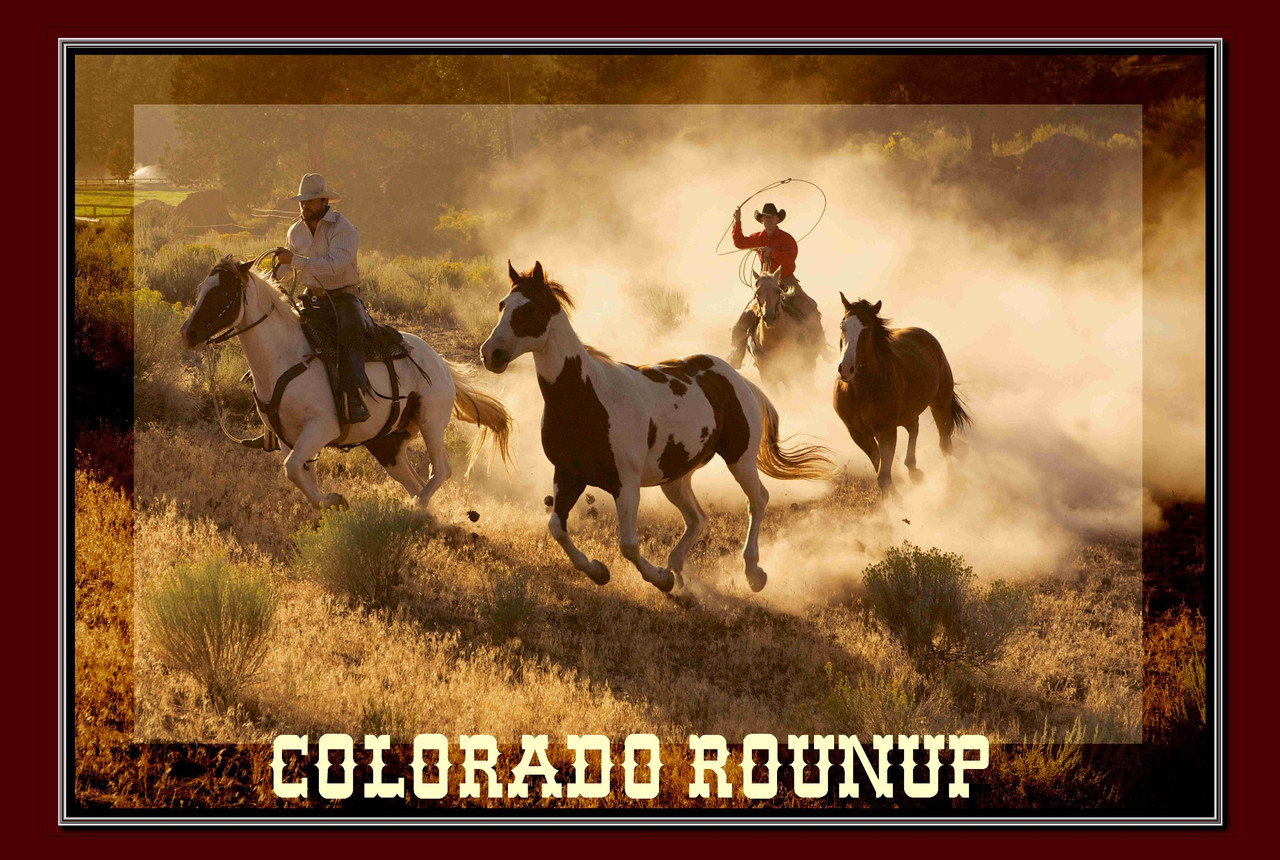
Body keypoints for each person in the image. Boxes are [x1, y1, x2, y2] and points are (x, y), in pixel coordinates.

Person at [274, 172, 372, 424]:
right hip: (311, 298)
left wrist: (293, 261)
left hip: (342, 296)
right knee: (282, 333)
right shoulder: (295, 231)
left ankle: (354, 395)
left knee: (351, 332)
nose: (304, 205)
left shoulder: (343, 228)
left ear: (324, 202)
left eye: (310, 200)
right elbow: (287, 270)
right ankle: (277, 401)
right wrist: (272, 275)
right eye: (302, 201)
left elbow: (335, 266)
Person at [726, 202, 822, 370]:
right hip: (765, 285)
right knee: (744, 319)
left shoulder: (787, 239)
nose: (768, 220)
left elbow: (790, 262)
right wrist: (737, 222)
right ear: (761, 220)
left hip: (787, 281)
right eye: (765, 218)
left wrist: (773, 252)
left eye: (771, 217)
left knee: (808, 307)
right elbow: (739, 242)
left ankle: (820, 346)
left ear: (777, 219)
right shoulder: (758, 237)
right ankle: (737, 352)